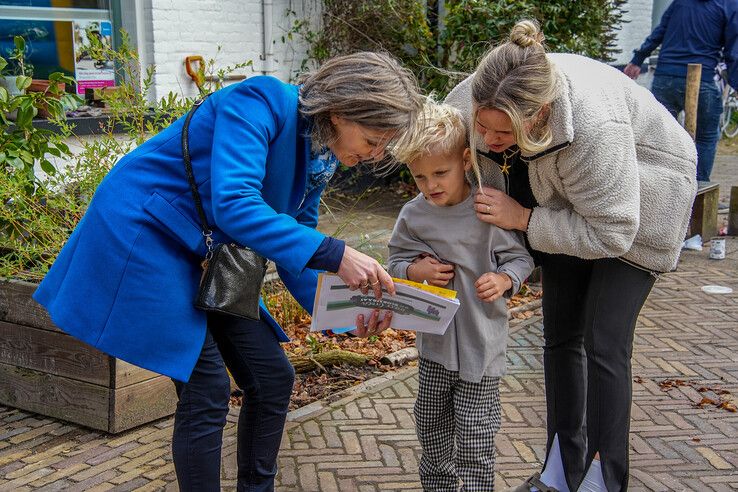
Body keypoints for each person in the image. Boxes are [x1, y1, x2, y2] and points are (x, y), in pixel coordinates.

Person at [32, 52, 424, 491]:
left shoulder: (321, 152)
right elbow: (235, 204)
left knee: (273, 377)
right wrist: (338, 254)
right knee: (207, 389)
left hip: (208, 251)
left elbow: (298, 239)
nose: (376, 155)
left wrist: (339, 310)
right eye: (374, 140)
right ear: (340, 110)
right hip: (148, 232)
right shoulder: (258, 101)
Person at [445, 20, 698, 492]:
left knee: (604, 340)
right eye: (482, 125)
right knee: (561, 336)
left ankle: (605, 480)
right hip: (563, 203)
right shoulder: (471, 98)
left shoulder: (592, 125)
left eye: (504, 132)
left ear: (540, 115)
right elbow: (437, 152)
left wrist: (522, 219)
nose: (489, 139)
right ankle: (561, 472)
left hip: (640, 201)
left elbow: (614, 231)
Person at [387, 100, 534, 491]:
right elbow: (395, 264)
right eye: (419, 177)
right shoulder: (412, 216)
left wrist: (504, 281)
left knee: (474, 437)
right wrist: (415, 271)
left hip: (481, 349)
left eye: (440, 172)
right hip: (433, 349)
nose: (430, 185)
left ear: (466, 160)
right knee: (431, 428)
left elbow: (521, 258)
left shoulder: (487, 209)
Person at [623, 0, 738, 182]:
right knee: (705, 137)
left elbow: (659, 31)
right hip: (702, 81)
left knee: (659, 138)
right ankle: (698, 192)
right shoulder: (728, 5)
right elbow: (734, 49)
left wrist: (638, 58)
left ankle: (657, 187)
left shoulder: (680, 2)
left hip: (666, 78)